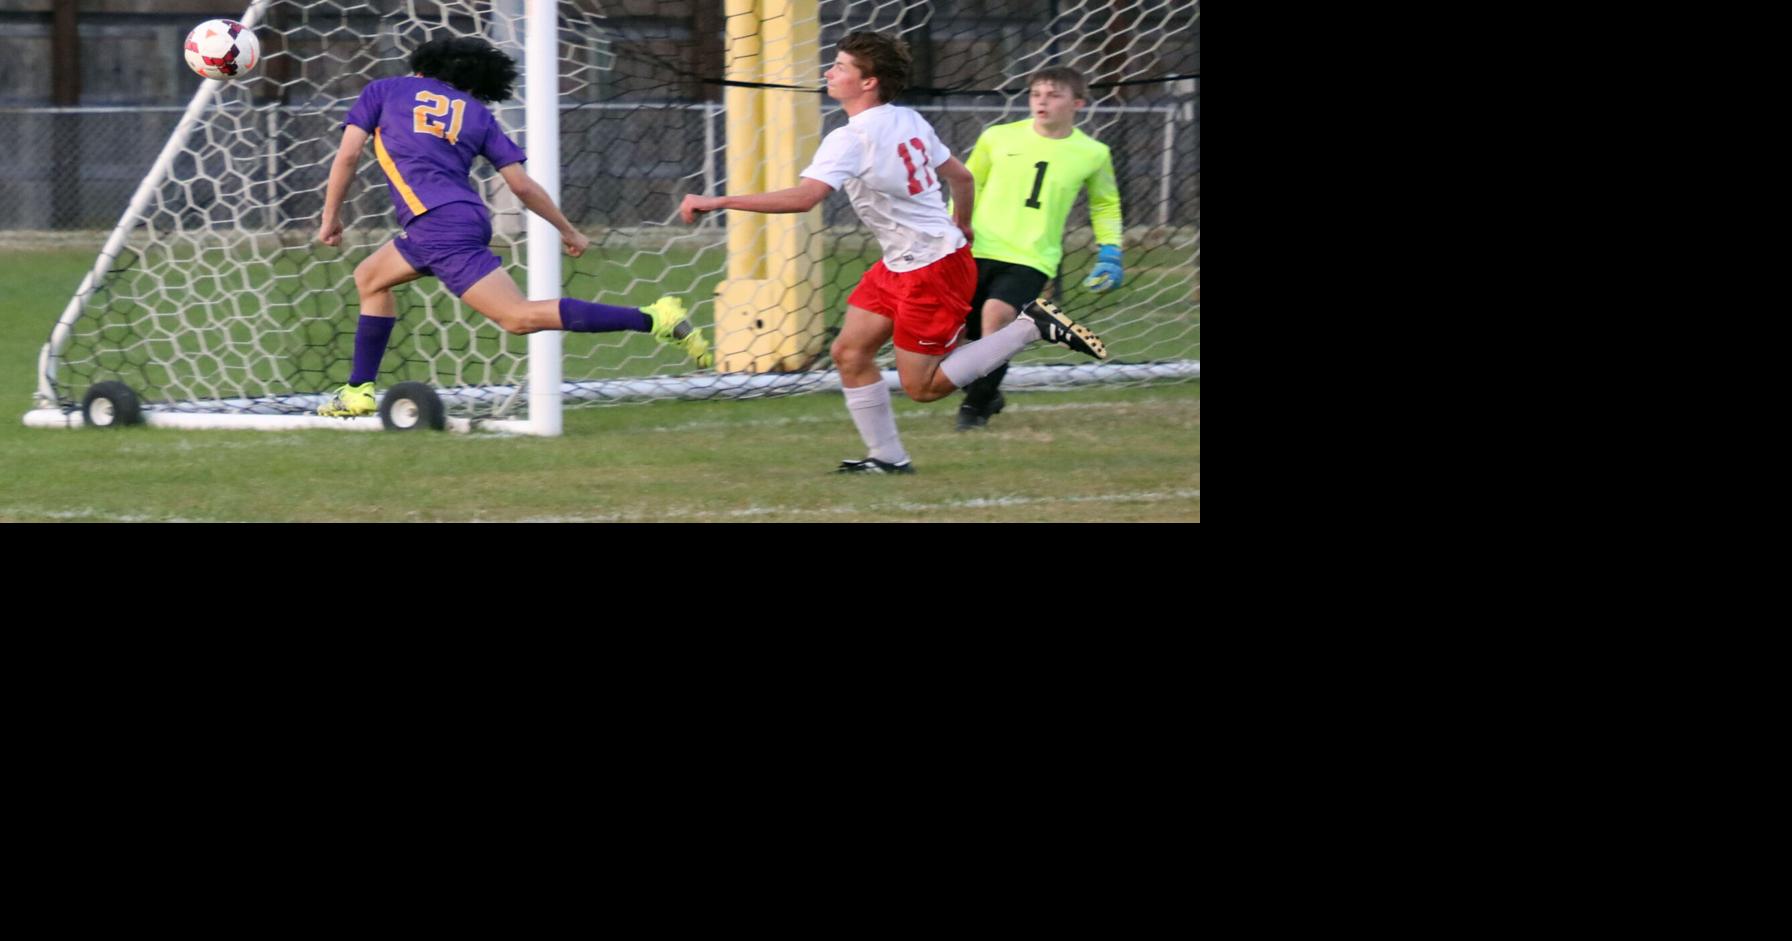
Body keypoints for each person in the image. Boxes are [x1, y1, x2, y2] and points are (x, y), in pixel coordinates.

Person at [678, 31, 1106, 474]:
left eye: (841, 66)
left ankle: (1029, 328)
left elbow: (806, 198)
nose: (830, 71)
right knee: (849, 353)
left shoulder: (851, 139)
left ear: (869, 82)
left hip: (930, 269)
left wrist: (719, 202)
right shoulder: (908, 119)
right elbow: (961, 178)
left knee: (922, 387)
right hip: (905, 262)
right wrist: (961, 224)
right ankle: (888, 458)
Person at [315, 36, 710, 418]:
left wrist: (331, 216)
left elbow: (349, 155)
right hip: (458, 216)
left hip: (438, 224)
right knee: (370, 277)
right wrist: (567, 229)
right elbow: (520, 184)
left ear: (423, 68)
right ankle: (358, 391)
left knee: (517, 317)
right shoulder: (476, 113)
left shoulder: (384, 90)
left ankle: (655, 318)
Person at [955, 65, 1124, 431]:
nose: (1042, 101)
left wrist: (1110, 250)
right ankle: (985, 389)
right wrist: (952, 228)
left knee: (996, 319)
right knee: (952, 335)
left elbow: (1104, 204)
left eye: (1054, 95)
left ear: (1077, 103)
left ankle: (975, 409)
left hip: (1031, 256)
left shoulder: (1092, 153)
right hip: (975, 248)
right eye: (1036, 94)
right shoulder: (997, 137)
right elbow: (969, 184)